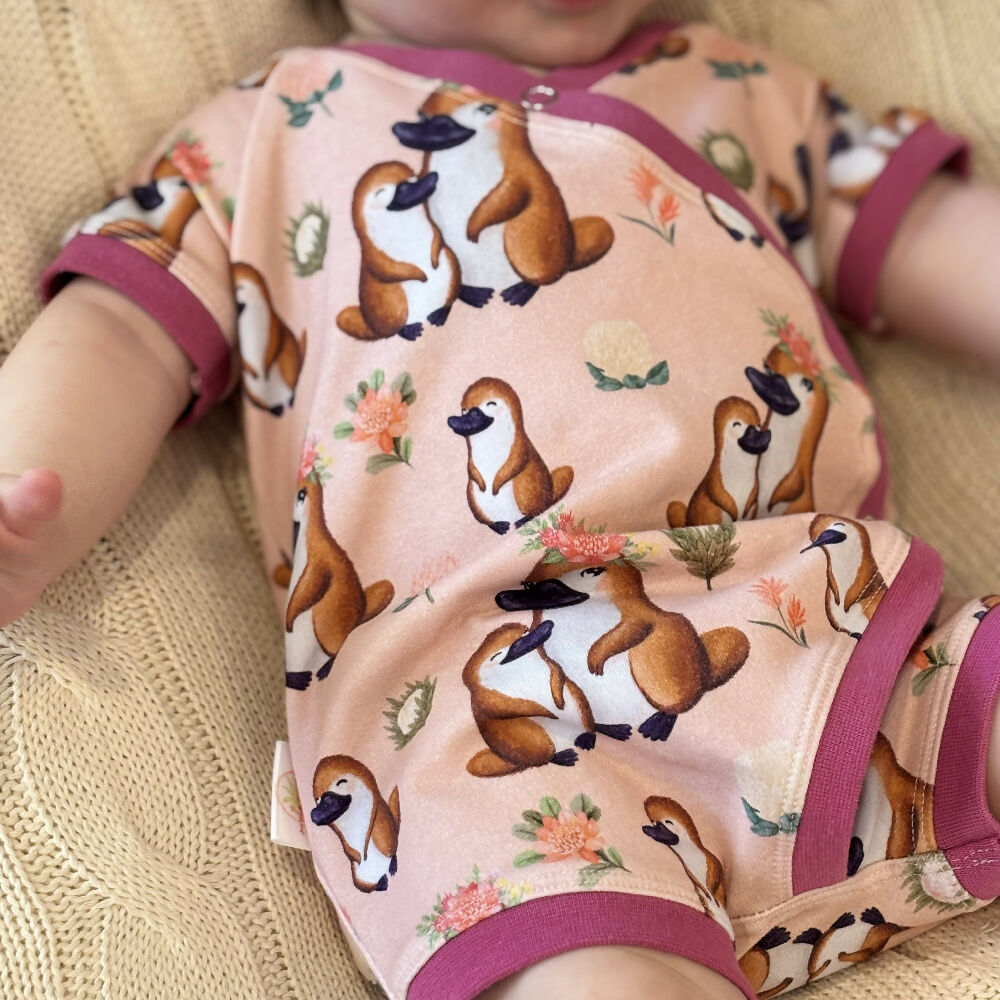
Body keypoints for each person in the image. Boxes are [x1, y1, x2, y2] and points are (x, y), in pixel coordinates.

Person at [1, 1, 999, 997]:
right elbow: (119, 334)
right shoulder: (269, 132)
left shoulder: (731, 88)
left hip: (817, 642)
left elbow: (923, 230)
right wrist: (26, 489)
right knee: (597, 980)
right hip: (483, 725)